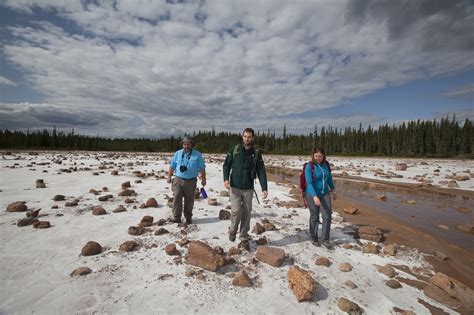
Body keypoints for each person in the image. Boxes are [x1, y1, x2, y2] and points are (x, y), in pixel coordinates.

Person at [223, 128, 268, 242]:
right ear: (242, 137)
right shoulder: (235, 149)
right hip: (234, 186)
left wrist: (264, 188)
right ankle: (233, 231)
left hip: (248, 188)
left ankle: (243, 235)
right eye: (245, 136)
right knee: (236, 211)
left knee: (247, 213)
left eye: (249, 137)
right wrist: (225, 179)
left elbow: (261, 171)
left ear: (253, 138)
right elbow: (226, 165)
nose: (247, 139)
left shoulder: (256, 153)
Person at [167, 136, 206, 224]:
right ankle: (176, 217)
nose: (186, 146)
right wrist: (169, 176)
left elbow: (202, 168)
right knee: (177, 198)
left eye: (188, 144)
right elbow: (172, 166)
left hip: (191, 181)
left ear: (192, 144)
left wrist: (203, 178)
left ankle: (188, 217)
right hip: (178, 180)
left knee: (189, 200)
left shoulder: (197, 155)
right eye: (184, 144)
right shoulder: (177, 153)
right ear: (182, 145)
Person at [304, 147, 336, 249]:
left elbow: (329, 178)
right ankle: (314, 237)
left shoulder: (326, 165)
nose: (318, 158)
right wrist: (314, 196)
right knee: (314, 216)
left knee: (327, 216)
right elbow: (309, 183)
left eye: (320, 156)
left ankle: (325, 239)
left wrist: (333, 190)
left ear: (323, 156)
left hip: (325, 193)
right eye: (316, 156)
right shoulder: (310, 166)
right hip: (311, 194)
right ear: (313, 156)